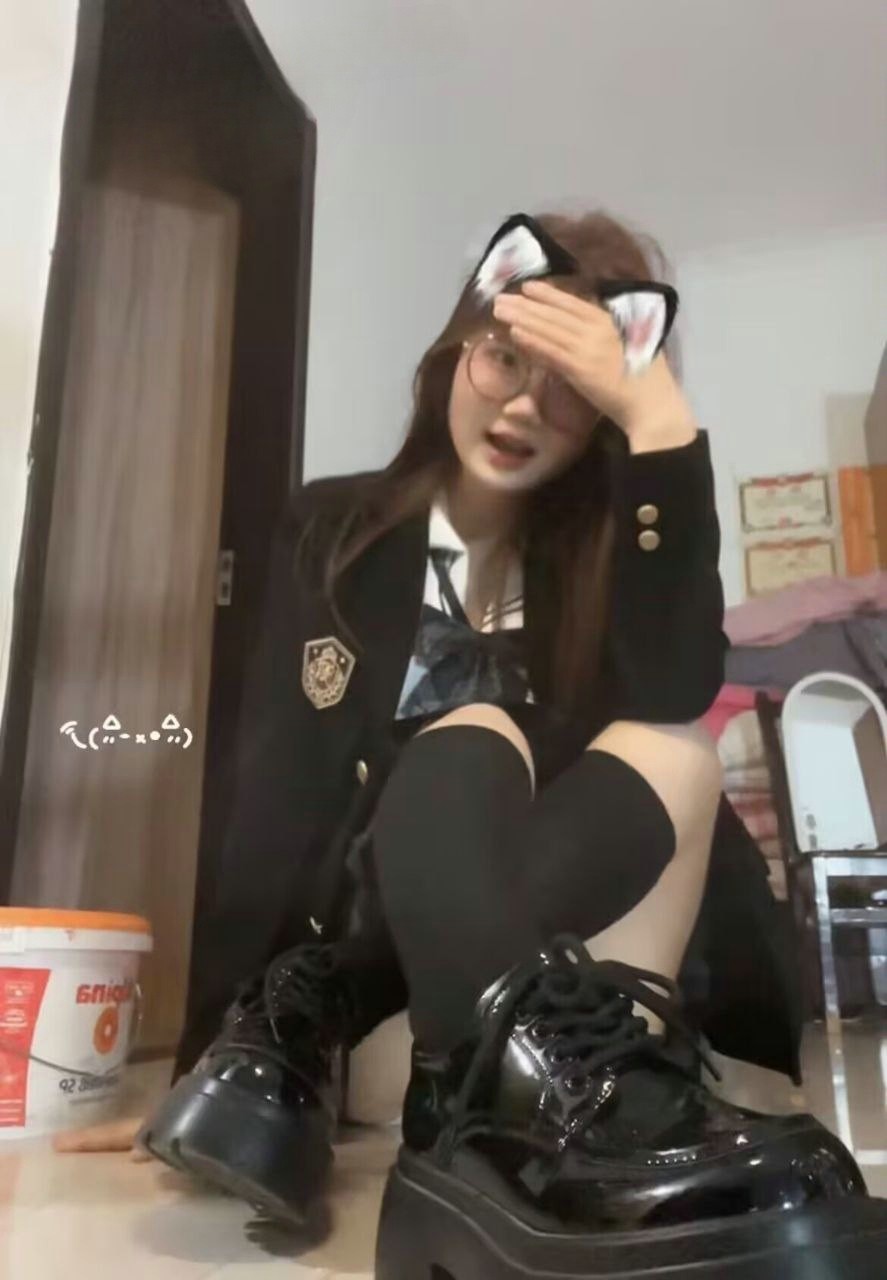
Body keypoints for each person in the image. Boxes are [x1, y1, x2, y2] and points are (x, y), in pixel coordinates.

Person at [57, 211, 886, 1275]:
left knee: (674, 745)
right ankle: (358, 1047)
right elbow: (275, 790)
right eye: (503, 357)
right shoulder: (334, 531)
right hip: (404, 1027)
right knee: (471, 735)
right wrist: (209, 1056)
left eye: (571, 387)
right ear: (456, 349)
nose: (525, 405)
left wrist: (658, 420)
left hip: (573, 1004)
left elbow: (676, 688)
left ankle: (446, 1053)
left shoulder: (605, 555)